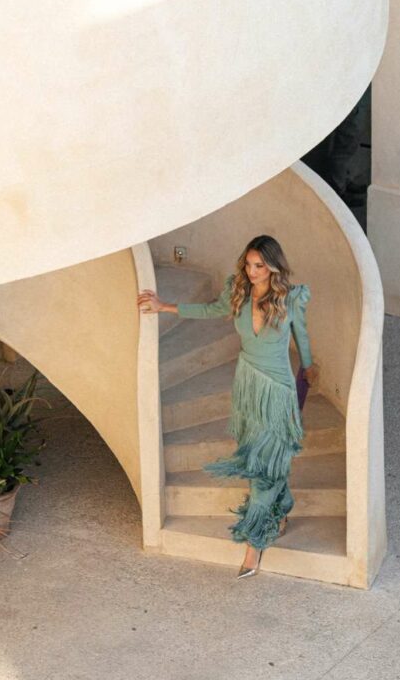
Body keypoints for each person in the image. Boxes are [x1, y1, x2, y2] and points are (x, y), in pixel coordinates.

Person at [137, 235, 320, 579]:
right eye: (249, 265)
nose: (252, 272)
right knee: (259, 459)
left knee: (264, 469)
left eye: (260, 266)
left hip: (277, 391)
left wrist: (308, 374)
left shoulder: (290, 299)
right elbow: (211, 310)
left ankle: (254, 543)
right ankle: (283, 508)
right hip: (247, 388)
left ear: (273, 267)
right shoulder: (238, 293)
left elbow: (304, 341)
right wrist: (166, 306)